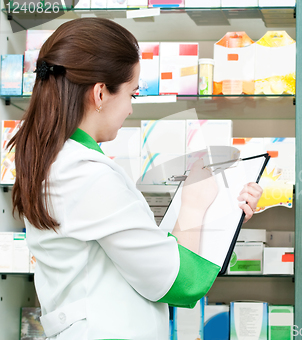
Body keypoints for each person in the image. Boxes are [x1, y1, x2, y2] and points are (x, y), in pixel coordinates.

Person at [8, 18, 263, 340]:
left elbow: (145, 256)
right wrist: (196, 204)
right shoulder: (86, 174)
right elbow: (179, 283)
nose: (130, 109)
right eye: (133, 93)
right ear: (100, 93)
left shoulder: (63, 160)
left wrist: (223, 215)